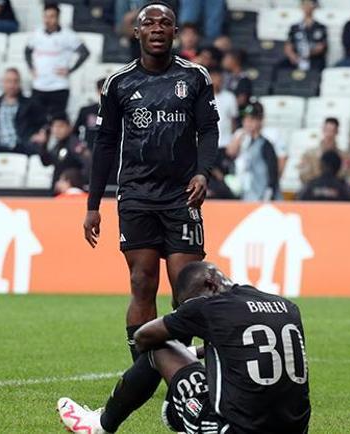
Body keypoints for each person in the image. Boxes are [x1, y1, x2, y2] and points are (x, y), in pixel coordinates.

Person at [83, 5, 219, 432]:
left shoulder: (195, 77)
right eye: (149, 23)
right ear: (136, 32)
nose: (157, 29)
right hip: (137, 196)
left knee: (189, 289)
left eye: (165, 23)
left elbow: (210, 131)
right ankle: (149, 373)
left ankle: (189, 382)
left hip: (182, 196)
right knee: (142, 281)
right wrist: (92, 204)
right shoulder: (119, 83)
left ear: (175, 32)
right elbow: (105, 144)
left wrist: (203, 172)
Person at [57, 261, 311, 434]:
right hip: (294, 429)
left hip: (231, 430)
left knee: (159, 348)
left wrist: (184, 330)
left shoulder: (208, 307)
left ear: (210, 284)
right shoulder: (287, 306)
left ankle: (100, 426)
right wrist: (200, 350)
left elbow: (144, 337)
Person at [25, 3, 90, 119]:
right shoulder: (37, 33)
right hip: (39, 86)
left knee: (58, 121)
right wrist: (31, 67)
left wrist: (70, 70)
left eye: (51, 16)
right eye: (46, 16)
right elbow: (27, 50)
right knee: (37, 121)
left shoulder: (68, 35)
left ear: (58, 17)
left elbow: (85, 52)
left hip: (59, 86)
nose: (48, 20)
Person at [225, 102, 280, 201]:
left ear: (259, 121)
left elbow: (272, 170)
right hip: (246, 193)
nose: (247, 123)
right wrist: (240, 137)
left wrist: (269, 191)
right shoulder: (244, 138)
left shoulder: (265, 144)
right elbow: (230, 154)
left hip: (261, 195)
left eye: (251, 120)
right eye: (245, 119)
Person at [0, 68, 44, 154]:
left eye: (15, 81)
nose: (11, 85)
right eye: (8, 81)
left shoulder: (30, 104)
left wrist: (41, 134)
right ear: (3, 82)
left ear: (19, 83)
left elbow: (43, 123)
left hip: (23, 147)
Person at [37, 114, 90, 188]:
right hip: (59, 190)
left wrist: (75, 182)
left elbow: (88, 164)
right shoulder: (58, 145)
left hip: (71, 191)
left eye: (61, 126)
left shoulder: (74, 143)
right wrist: (44, 144)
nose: (57, 130)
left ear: (69, 127)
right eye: (54, 126)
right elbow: (46, 162)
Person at [298, 117, 350, 184]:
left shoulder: (344, 156)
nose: (329, 134)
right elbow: (303, 175)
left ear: (337, 132)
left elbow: (343, 175)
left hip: (335, 190)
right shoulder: (309, 154)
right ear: (322, 130)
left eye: (332, 131)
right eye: (326, 130)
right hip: (313, 190)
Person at [284, 0, 328, 72]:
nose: (307, 7)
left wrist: (305, 55)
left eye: (309, 4)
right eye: (304, 4)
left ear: (314, 6)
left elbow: (321, 47)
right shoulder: (295, 27)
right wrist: (293, 56)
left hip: (313, 59)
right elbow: (288, 45)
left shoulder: (320, 27)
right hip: (296, 59)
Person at [209, 68, 238, 149]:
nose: (217, 80)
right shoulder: (201, 98)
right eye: (214, 77)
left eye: (219, 77)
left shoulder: (230, 97)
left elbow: (234, 121)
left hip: (226, 143)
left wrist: (233, 141)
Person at [74, 78, 105, 149]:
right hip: (90, 151)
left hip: (112, 152)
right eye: (103, 90)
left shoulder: (120, 112)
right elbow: (75, 132)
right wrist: (78, 145)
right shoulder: (87, 110)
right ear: (98, 91)